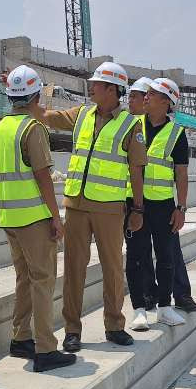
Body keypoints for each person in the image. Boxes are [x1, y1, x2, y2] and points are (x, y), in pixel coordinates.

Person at [30, 61, 145, 352]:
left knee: (112, 268)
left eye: (96, 84)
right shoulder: (81, 114)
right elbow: (45, 116)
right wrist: (23, 93)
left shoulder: (131, 124)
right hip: (77, 204)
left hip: (109, 207)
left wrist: (138, 209)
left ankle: (115, 325)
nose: (91, 87)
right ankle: (72, 330)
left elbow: (136, 170)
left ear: (112, 89)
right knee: (74, 269)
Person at [0, 65, 77, 373]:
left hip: (9, 216)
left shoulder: (0, 128)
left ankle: (20, 338)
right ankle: (45, 349)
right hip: (33, 217)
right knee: (42, 281)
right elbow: (43, 176)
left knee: (24, 278)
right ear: (36, 95)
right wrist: (56, 218)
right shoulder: (33, 128)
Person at [124, 77, 196, 319]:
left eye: (152, 94)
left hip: (163, 204)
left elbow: (181, 173)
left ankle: (167, 304)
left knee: (166, 256)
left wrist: (181, 207)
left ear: (167, 101)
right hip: (134, 203)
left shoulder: (176, 133)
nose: (146, 96)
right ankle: (143, 306)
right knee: (137, 255)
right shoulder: (132, 124)